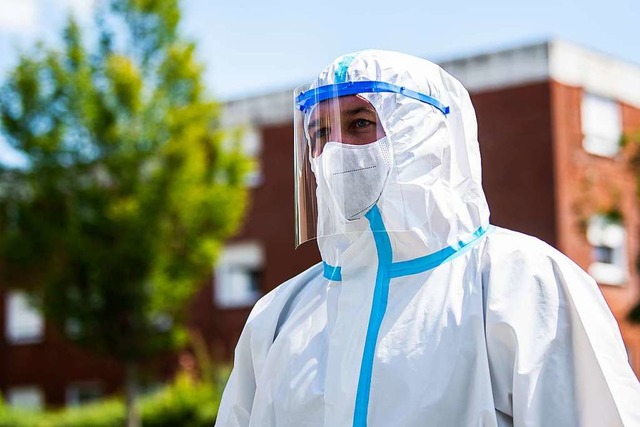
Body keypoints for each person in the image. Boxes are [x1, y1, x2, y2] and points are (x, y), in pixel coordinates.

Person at [214, 50, 640, 427]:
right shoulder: (279, 315)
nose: (334, 152)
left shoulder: (522, 284)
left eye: (360, 123)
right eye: (319, 135)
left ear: (424, 136)